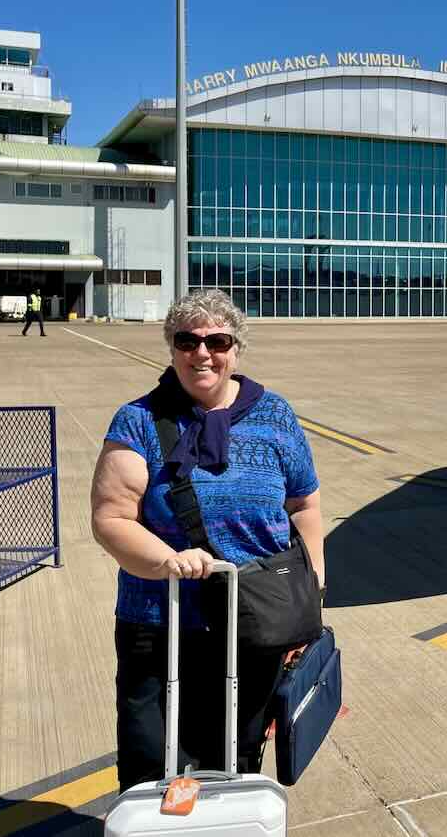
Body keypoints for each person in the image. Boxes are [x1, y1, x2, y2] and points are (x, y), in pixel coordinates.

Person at [90, 289, 323, 793]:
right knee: (151, 761)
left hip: (254, 624)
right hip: (161, 621)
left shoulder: (275, 416)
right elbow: (111, 517)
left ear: (235, 349)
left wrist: (310, 594)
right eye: (187, 340)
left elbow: (305, 505)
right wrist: (169, 559)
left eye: (217, 340)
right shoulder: (136, 421)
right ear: (171, 348)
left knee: (236, 758)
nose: (202, 353)